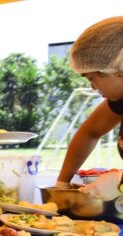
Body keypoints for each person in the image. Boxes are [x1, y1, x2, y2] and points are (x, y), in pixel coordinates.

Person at [56, 17, 123, 201]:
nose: (93, 87)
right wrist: (62, 183)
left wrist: (120, 183)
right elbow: (89, 132)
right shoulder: (119, 100)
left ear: (118, 69)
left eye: (91, 78)